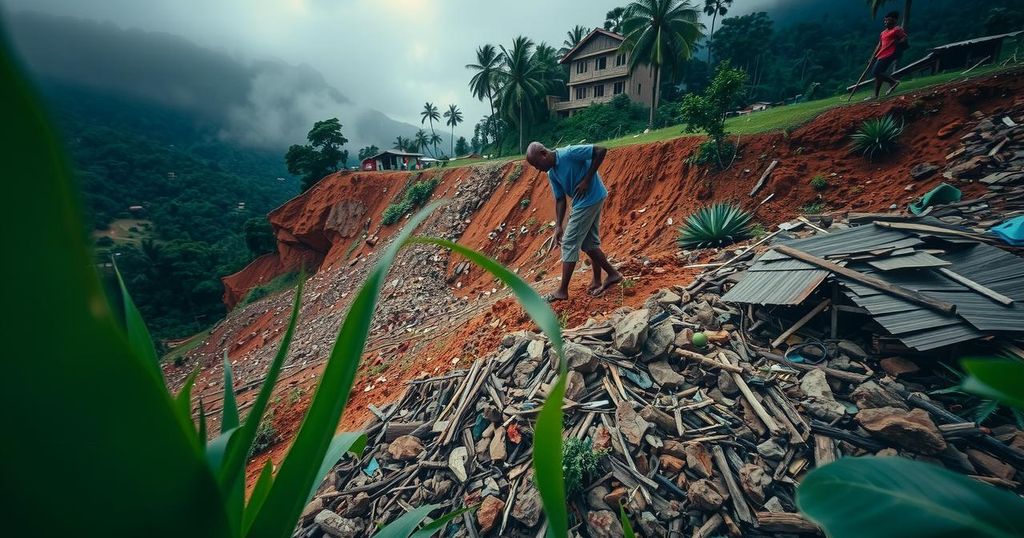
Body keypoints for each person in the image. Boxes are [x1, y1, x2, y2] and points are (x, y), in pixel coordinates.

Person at [525, 142, 622, 302]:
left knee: (570, 242)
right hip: (586, 200)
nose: (537, 169)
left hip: (589, 198)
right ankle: (608, 276)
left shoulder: (569, 153)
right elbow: (560, 199)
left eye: (537, 164)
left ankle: (562, 291)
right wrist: (558, 226)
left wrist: (587, 179)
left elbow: (600, 150)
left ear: (544, 153)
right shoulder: (552, 173)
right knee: (589, 243)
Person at [867, 10, 908, 100]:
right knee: (879, 75)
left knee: (876, 72)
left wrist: (898, 43)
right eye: (885, 20)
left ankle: (894, 82)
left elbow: (904, 38)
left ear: (894, 20)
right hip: (881, 54)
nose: (885, 22)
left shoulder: (897, 29)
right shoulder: (883, 33)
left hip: (890, 53)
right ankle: (876, 96)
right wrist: (872, 57)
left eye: (888, 20)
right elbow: (879, 45)